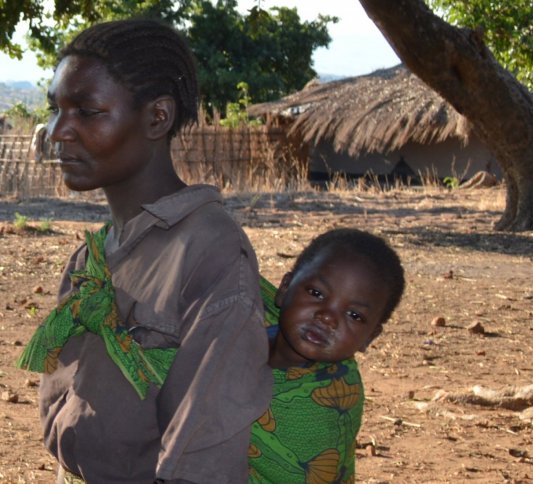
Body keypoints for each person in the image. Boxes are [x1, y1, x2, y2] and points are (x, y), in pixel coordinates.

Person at [15, 18, 271, 483]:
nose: (58, 131)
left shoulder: (209, 253)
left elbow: (204, 450)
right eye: (56, 108)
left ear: (157, 117)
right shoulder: (94, 257)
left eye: (87, 112)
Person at [249, 228, 405, 483]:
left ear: (370, 337)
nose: (327, 317)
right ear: (285, 288)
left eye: (354, 315)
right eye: (316, 293)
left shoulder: (326, 410)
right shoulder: (242, 318)